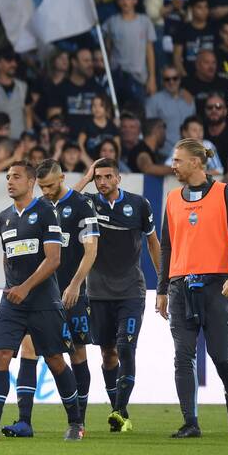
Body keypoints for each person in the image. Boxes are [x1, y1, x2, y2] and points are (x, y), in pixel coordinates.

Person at [0, 162, 84, 442]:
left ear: (31, 181)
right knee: (0, 357)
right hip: (12, 301)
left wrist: (25, 286)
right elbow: (8, 256)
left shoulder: (46, 211)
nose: (10, 181)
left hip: (43, 300)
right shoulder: (2, 218)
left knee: (55, 359)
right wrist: (13, 287)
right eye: (7, 177)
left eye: (16, 177)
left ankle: (76, 423)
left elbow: (54, 258)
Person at [156, 137, 228, 438]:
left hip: (216, 286)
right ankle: (190, 422)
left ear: (196, 162)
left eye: (178, 160)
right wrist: (161, 289)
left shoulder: (224, 193)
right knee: (183, 355)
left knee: (220, 356)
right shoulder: (171, 198)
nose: (173, 166)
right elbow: (167, 248)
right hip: (180, 287)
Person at [2, 160, 100, 437]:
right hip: (42, 294)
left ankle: (80, 420)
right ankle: (24, 420)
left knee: (76, 351)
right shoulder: (38, 208)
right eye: (41, 186)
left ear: (62, 179)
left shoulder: (81, 206)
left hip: (70, 292)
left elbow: (91, 250)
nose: (45, 191)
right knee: (29, 348)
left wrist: (76, 284)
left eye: (50, 186)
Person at [72, 156, 163, 432]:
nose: (102, 182)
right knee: (108, 353)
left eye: (107, 177)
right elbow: (63, 206)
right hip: (98, 292)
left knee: (126, 346)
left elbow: (153, 243)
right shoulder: (89, 203)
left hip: (130, 291)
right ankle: (118, 414)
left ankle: (119, 410)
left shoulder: (139, 204)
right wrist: (85, 178)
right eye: (98, 177)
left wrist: (163, 283)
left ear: (119, 178)